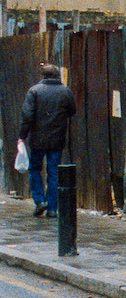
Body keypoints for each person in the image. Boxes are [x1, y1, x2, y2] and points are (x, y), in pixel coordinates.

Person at [19, 62, 76, 219]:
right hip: (57, 138)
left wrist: (22, 136)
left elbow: (27, 115)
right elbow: (72, 111)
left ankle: (39, 201)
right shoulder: (66, 92)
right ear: (57, 75)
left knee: (35, 169)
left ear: (42, 75)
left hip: (38, 139)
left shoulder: (34, 91)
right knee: (53, 172)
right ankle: (52, 208)